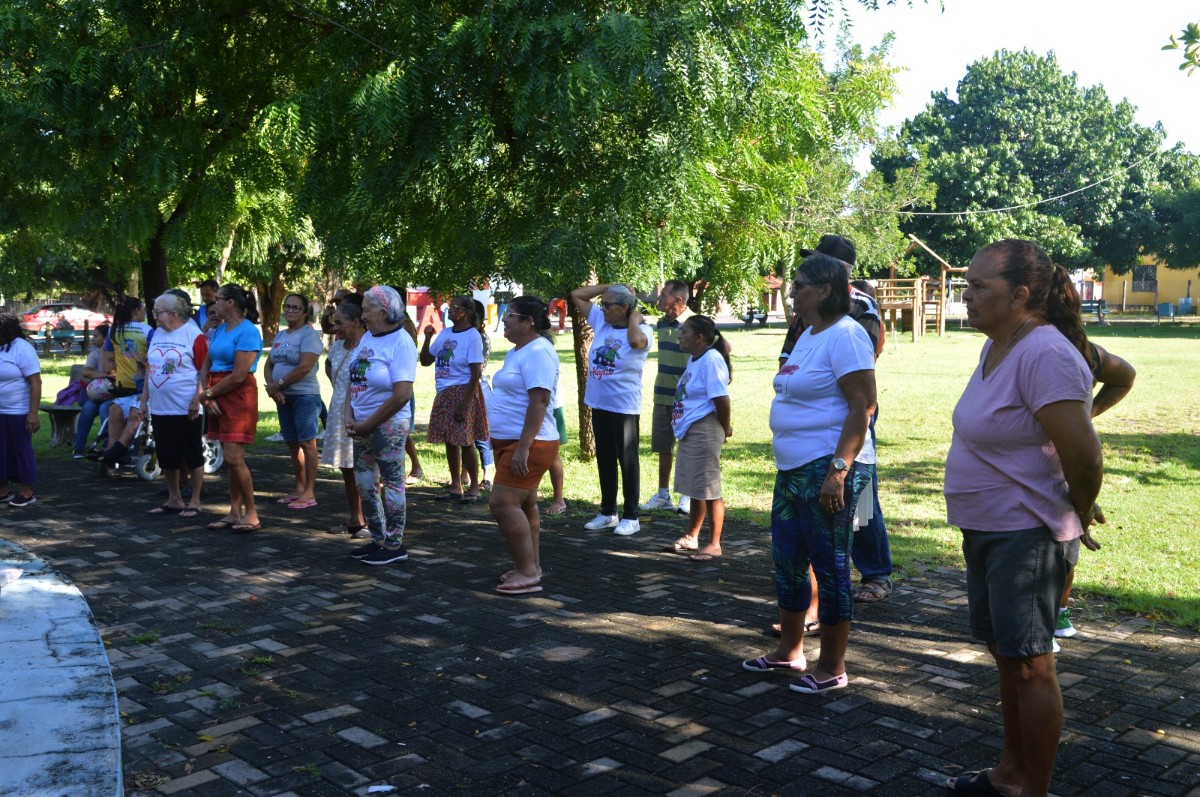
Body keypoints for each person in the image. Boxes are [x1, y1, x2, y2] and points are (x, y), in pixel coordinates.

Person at [943, 239, 1104, 797]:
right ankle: (1010, 773)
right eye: (967, 285)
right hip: (989, 529)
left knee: (1032, 665)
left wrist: (1080, 509)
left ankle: (1033, 789)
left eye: (978, 287)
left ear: (1021, 294)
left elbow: (1084, 456)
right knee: (1009, 658)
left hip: (1027, 534)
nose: (966, 296)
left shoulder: (1046, 353)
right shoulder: (1000, 345)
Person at [743, 253, 876, 695]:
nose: (791, 291)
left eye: (799, 285)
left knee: (831, 566)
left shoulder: (847, 335)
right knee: (788, 561)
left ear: (824, 289)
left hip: (827, 469)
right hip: (792, 469)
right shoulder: (807, 334)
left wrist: (839, 469)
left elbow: (863, 407)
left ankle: (833, 667)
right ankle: (790, 651)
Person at [780, 235, 891, 605]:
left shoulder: (857, 308)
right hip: (808, 421)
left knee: (859, 500)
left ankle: (875, 572)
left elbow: (862, 376)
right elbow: (791, 350)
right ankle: (812, 591)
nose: (796, 289)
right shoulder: (808, 315)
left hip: (845, 413)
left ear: (836, 273)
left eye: (816, 263)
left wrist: (840, 466)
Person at [1054, 344, 1135, 647]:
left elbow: (1125, 376)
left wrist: (1087, 414)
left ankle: (1057, 614)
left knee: (1065, 538)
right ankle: (1053, 615)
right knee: (1065, 533)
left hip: (1065, 455)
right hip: (1045, 456)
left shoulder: (1083, 351)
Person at [488, 297, 561, 594]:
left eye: (510, 315)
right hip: (510, 440)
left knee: (503, 503)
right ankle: (531, 565)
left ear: (528, 321)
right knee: (525, 503)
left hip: (530, 443)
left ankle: (527, 572)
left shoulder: (539, 352)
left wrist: (523, 447)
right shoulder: (519, 351)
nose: (504, 319)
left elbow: (540, 401)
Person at [569, 283, 653, 536]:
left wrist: (634, 319)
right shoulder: (602, 321)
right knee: (605, 458)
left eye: (607, 305)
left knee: (627, 461)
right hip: (599, 403)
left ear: (624, 308)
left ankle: (631, 516)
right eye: (602, 304)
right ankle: (608, 513)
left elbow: (637, 342)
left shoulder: (643, 330)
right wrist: (610, 287)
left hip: (624, 406)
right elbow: (577, 294)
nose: (602, 308)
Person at [346, 285, 418, 566]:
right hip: (361, 425)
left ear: (384, 311)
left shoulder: (401, 342)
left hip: (388, 425)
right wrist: (350, 417)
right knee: (364, 483)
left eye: (366, 309)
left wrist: (369, 424)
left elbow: (402, 394)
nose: (362, 315)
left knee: (392, 483)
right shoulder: (368, 339)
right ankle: (377, 538)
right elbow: (354, 382)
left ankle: (394, 544)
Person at [197, 284, 263, 533]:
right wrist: (207, 395)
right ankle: (235, 512)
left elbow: (238, 375)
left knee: (235, 458)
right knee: (230, 459)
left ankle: (252, 514)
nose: (213, 304)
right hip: (217, 392)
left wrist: (210, 394)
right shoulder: (220, 329)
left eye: (218, 299)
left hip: (238, 395)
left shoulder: (248, 331)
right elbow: (206, 366)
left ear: (231, 303)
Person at [666, 315, 732, 562]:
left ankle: (714, 544)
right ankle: (692, 536)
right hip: (691, 429)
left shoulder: (711, 359)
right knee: (696, 487)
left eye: (684, 331)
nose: (680, 335)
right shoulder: (695, 359)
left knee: (709, 487)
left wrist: (725, 429)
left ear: (699, 337)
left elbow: (722, 400)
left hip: (704, 429)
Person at [641, 280, 707, 516]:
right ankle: (663, 495)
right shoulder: (660, 323)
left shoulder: (696, 324)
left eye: (663, 296)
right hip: (662, 395)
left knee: (687, 447)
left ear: (678, 300)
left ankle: (688, 495)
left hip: (688, 399)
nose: (657, 300)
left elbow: (723, 347)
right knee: (664, 447)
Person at [141, 293, 208, 517]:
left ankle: (195, 501)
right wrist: (143, 401)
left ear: (174, 314)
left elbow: (203, 371)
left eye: (157, 312)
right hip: (160, 406)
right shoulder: (157, 334)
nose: (154, 317)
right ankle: (174, 499)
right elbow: (151, 369)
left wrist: (197, 398)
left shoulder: (193, 335)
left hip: (185, 406)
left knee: (192, 452)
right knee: (166, 453)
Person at [419, 295, 488, 503]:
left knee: (465, 440)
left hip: (463, 391)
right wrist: (428, 338)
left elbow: (476, 373)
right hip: (444, 392)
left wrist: (464, 403)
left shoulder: (472, 336)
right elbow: (425, 361)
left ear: (465, 313)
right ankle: (455, 485)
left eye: (454, 307)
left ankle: (474, 486)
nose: (449, 310)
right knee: (450, 440)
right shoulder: (446, 334)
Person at [265, 293, 325, 510]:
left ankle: (309, 492)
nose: (289, 310)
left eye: (295, 307)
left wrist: (278, 384)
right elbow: (269, 364)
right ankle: (298, 488)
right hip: (283, 397)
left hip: (305, 396)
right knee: (292, 444)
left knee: (307, 443)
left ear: (305, 312)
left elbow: (305, 366)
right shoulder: (281, 335)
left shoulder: (309, 335)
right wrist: (274, 389)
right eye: (287, 306)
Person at [322, 295, 368, 536]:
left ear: (357, 322)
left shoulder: (369, 345)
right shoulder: (338, 346)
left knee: (368, 468)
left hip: (364, 411)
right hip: (339, 408)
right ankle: (355, 518)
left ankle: (373, 520)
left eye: (339, 323)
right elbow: (329, 367)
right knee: (347, 468)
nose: (334, 328)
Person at [0, 312, 41, 508]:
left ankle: (26, 491)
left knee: (20, 449)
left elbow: (35, 382)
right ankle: (3, 490)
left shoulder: (22, 348)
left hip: (18, 411)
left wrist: (32, 413)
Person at [72, 324, 112, 458]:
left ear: (105, 338)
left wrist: (103, 373)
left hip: (115, 394)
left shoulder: (116, 354)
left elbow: (112, 371)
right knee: (87, 409)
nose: (92, 339)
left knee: (104, 409)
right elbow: (87, 372)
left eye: (96, 336)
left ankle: (107, 446)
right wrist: (105, 376)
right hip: (98, 395)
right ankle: (79, 448)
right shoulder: (94, 354)